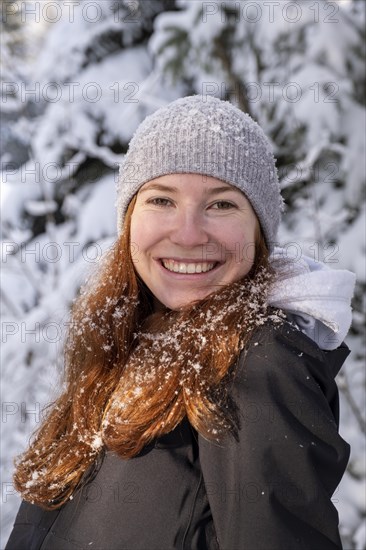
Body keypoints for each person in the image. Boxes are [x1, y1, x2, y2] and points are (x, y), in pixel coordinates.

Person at [6, 95, 355, 550]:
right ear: (130, 219)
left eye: (222, 205)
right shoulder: (125, 342)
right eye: (162, 200)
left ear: (259, 229)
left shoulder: (257, 362)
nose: (188, 234)